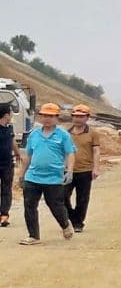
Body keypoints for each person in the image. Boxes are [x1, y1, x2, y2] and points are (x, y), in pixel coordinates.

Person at [15, 102, 75, 245]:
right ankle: (33, 236)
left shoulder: (63, 135)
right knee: (29, 205)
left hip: (53, 178)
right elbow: (28, 156)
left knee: (55, 205)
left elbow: (70, 153)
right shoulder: (34, 134)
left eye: (50, 116)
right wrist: (22, 175)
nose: (47, 118)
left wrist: (70, 171)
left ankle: (65, 224)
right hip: (33, 177)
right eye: (44, 115)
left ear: (56, 117)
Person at [64, 104, 101, 233]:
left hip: (85, 170)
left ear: (87, 118)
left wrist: (96, 168)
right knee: (62, 197)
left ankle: (78, 223)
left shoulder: (93, 134)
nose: (77, 119)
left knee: (82, 198)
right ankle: (73, 218)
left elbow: (96, 151)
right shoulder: (65, 133)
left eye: (81, 116)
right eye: (75, 116)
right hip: (67, 170)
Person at [0, 104, 15, 229]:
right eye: (11, 113)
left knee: (6, 189)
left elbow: (12, 140)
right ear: (6, 115)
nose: (12, 116)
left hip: (7, 164)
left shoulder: (9, 128)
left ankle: (4, 215)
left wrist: (18, 153)